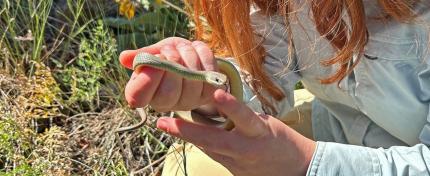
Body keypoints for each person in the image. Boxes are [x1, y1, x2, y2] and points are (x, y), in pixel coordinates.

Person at [119, 0, 430, 175]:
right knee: (191, 168)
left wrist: (304, 163)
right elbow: (267, 64)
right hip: (342, 128)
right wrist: (213, 95)